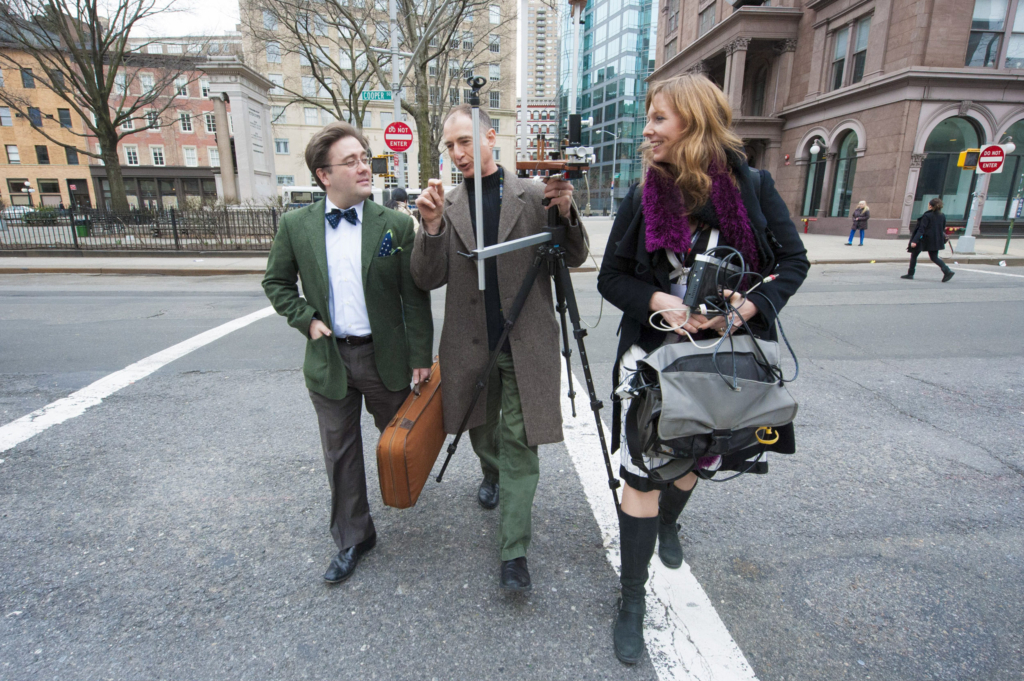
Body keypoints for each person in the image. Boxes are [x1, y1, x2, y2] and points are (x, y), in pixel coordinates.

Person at [596, 74, 809, 665]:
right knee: (641, 471)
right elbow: (612, 276)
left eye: (659, 118)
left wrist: (741, 309)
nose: (647, 129)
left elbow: (793, 262)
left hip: (719, 358)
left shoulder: (753, 188)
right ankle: (632, 599)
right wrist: (661, 302)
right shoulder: (643, 197)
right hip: (653, 360)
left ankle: (670, 522)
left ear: (693, 122)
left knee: (697, 457)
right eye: (648, 118)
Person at [411, 104, 588, 592]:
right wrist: (429, 229)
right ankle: (489, 472)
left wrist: (565, 211)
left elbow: (574, 256)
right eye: (449, 145)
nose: (457, 153)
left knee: (519, 444)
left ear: (491, 137)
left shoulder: (532, 195)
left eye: (465, 141)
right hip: (470, 348)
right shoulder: (445, 204)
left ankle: (514, 552)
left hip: (524, 342)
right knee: (482, 436)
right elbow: (426, 278)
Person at [262, 122, 433, 584]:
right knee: (340, 453)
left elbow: (413, 296)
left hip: (386, 356)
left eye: (365, 157)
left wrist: (421, 354)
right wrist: (307, 319)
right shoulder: (296, 225)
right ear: (323, 175)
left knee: (401, 440)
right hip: (329, 357)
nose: (365, 167)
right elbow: (275, 283)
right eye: (352, 161)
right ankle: (354, 536)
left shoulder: (394, 224)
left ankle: (411, 491)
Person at [902, 198, 954, 282]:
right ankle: (947, 271)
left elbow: (921, 229)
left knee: (914, 255)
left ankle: (910, 274)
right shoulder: (942, 215)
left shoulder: (927, 215)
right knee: (934, 257)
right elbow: (942, 228)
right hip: (935, 239)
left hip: (924, 239)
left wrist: (914, 241)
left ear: (930, 206)